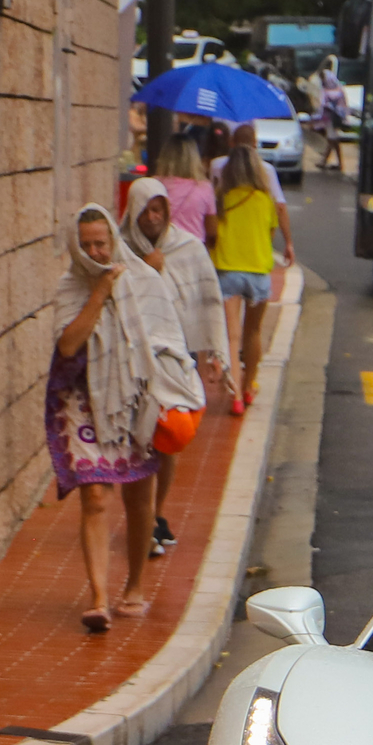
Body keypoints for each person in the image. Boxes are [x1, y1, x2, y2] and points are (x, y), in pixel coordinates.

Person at [48, 205, 201, 632]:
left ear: (114, 239)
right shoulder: (70, 287)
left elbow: (170, 343)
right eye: (87, 244)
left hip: (137, 399)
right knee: (95, 496)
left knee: (139, 499)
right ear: (75, 247)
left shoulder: (147, 283)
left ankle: (134, 586)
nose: (96, 251)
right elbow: (68, 345)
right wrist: (98, 293)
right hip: (83, 399)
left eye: (102, 242)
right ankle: (98, 598)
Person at [122, 178, 231, 559]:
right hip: (133, 362)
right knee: (140, 440)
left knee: (168, 439)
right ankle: (143, 516)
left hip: (176, 358)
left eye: (158, 210)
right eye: (145, 211)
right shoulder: (121, 252)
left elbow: (206, 298)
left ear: (167, 212)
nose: (152, 219)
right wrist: (148, 271)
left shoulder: (187, 248)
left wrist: (217, 352)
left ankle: (155, 513)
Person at [213, 125, 293, 412]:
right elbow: (269, 235)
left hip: (228, 271)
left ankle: (235, 397)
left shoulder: (222, 199)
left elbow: (213, 233)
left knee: (232, 337)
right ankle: (249, 386)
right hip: (259, 273)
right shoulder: (265, 200)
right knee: (253, 333)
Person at [152, 133, 216, 247]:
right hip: (193, 249)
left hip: (161, 248)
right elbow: (212, 230)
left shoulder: (154, 184)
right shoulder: (204, 188)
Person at [312, 57, 349, 172]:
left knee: (333, 139)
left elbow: (322, 106)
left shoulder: (327, 92)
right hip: (336, 118)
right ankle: (327, 161)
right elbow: (344, 105)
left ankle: (336, 163)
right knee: (332, 140)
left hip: (330, 118)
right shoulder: (339, 90)